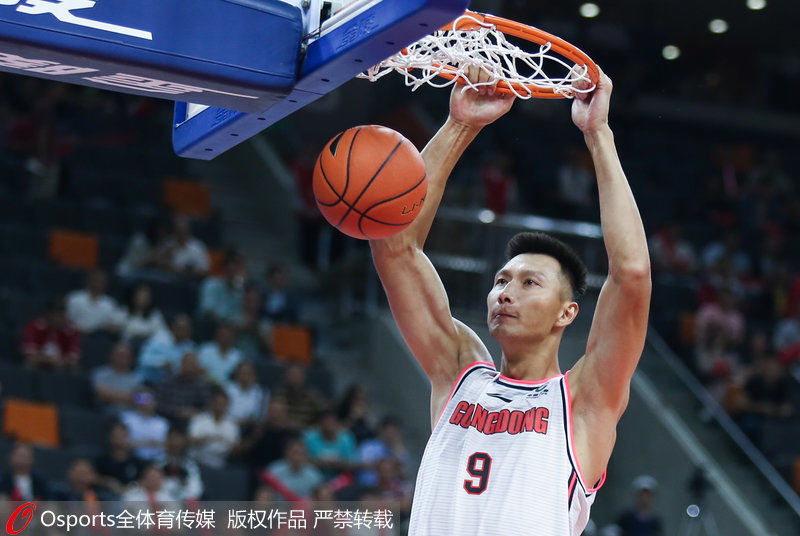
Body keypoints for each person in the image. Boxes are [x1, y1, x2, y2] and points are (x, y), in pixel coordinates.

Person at [368, 68, 650, 535]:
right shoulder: (459, 372)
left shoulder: (583, 402)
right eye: (501, 280)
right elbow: (393, 244)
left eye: (529, 283)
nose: (505, 292)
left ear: (566, 312)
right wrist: (460, 125)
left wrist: (598, 135)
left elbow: (633, 274)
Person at [20, 297, 80, 370]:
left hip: (60, 368)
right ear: (47, 315)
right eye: (55, 315)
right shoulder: (35, 326)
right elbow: (30, 356)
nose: (58, 319)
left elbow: (73, 359)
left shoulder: (71, 331)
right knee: (29, 363)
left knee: (73, 368)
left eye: (61, 315)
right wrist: (50, 360)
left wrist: (58, 361)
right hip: (38, 367)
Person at [65, 268, 125, 333]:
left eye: (101, 282)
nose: (97, 284)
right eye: (95, 281)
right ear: (88, 281)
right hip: (74, 333)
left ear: (106, 284)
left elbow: (116, 324)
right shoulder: (75, 298)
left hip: (98, 336)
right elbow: (66, 318)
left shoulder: (110, 303)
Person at [91, 341, 143, 415]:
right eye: (120, 355)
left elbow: (143, 399)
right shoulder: (99, 373)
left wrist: (111, 395)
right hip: (102, 413)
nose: (123, 359)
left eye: (126, 356)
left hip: (129, 415)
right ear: (111, 355)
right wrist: (130, 397)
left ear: (131, 358)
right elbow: (100, 394)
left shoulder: (137, 378)